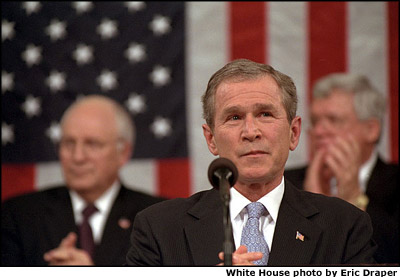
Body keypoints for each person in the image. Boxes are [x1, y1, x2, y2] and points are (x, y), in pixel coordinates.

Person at [126, 59, 376, 266]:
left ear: (294, 132)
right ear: (211, 139)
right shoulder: (159, 228)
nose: (250, 131)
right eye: (234, 117)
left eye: (265, 114)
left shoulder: (345, 226)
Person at [1, 95, 165, 266]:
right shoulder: (18, 215)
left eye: (92, 144)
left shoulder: (158, 219)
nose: (78, 157)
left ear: (123, 153)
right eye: (69, 143)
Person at [284, 73, 399, 264]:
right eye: (315, 121)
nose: (319, 131)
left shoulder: (394, 184)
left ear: (371, 129)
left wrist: (354, 199)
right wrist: (308, 205)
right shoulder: (287, 182)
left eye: (333, 120)